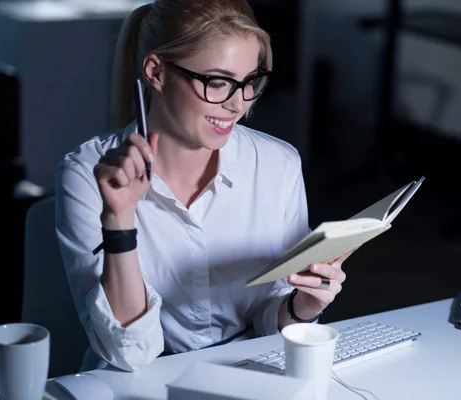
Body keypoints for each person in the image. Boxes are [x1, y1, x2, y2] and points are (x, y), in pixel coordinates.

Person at [55, 0, 355, 373]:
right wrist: (119, 218)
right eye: (218, 82)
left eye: (250, 83)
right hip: (137, 381)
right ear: (156, 72)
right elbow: (129, 353)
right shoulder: (86, 174)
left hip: (248, 374)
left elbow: (268, 321)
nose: (238, 104)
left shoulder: (279, 165)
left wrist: (302, 306)